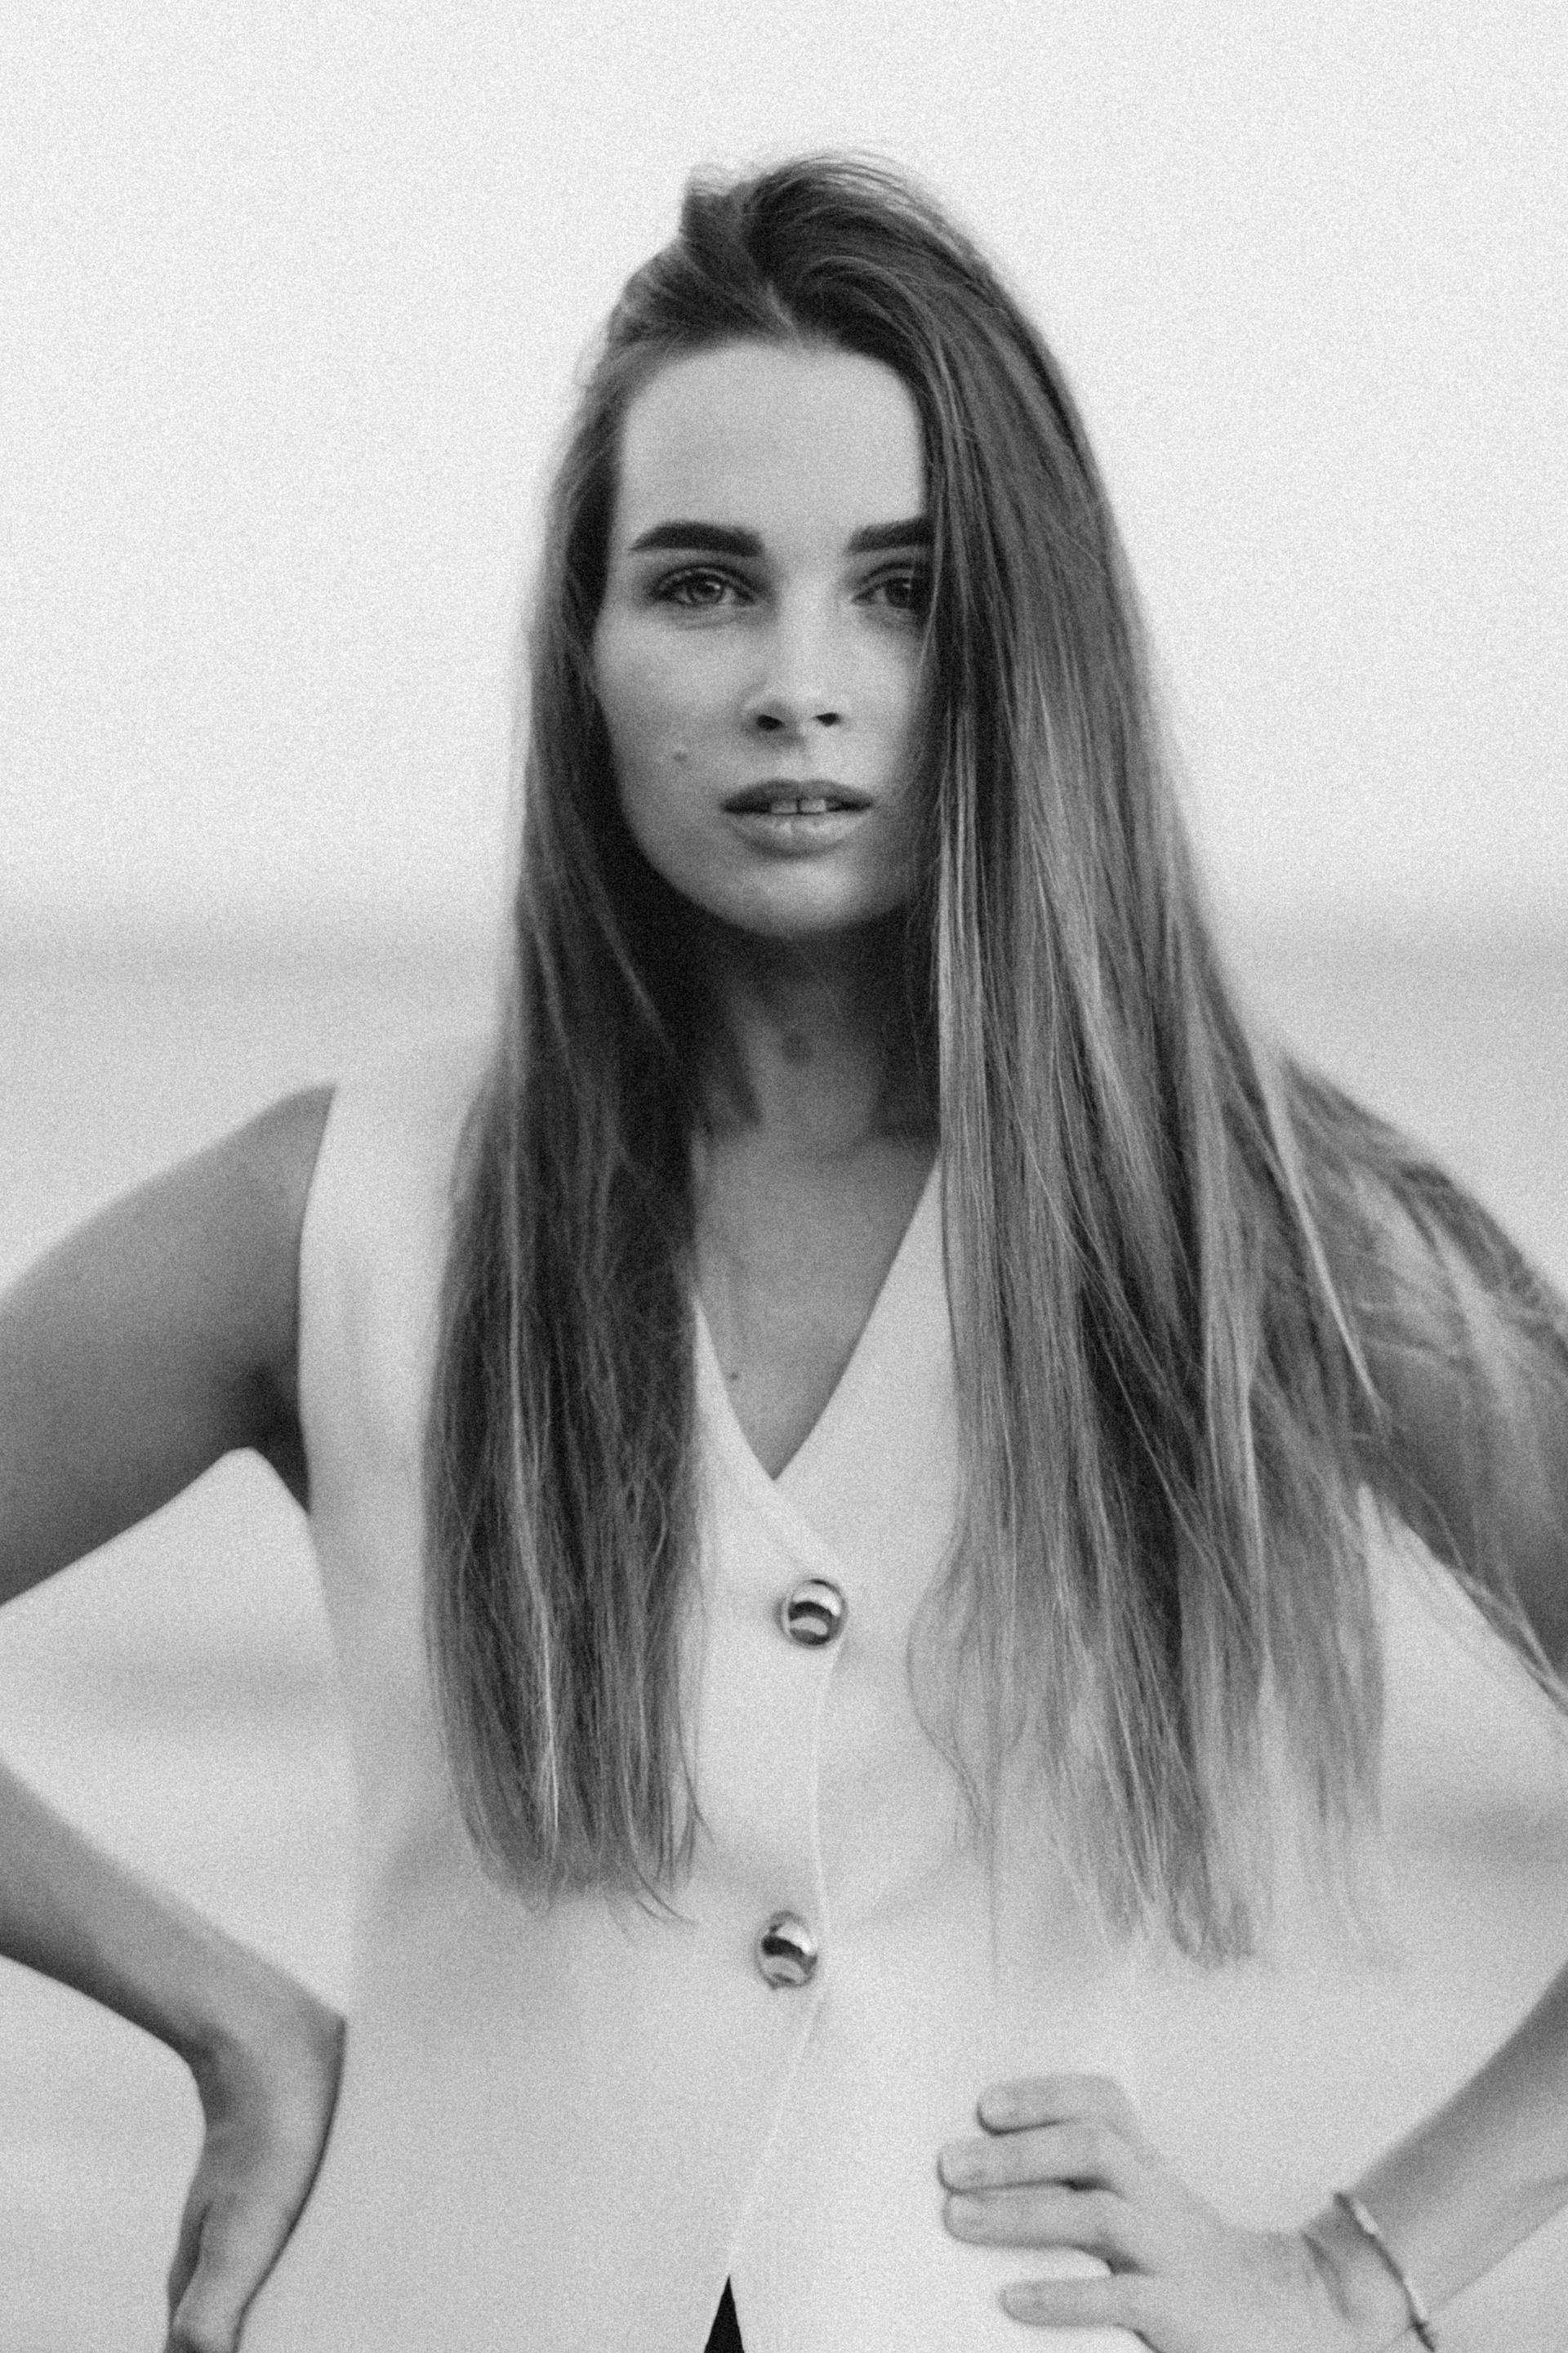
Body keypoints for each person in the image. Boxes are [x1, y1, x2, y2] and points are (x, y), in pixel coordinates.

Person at [2, 153, 1566, 2353]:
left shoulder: (1247, 1227)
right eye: (706, 583)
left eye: (904, 590)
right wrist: (228, 2015)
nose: (798, 684)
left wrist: (1355, 2273)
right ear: (585, 647)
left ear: (1029, 647)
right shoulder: (334, 1210)